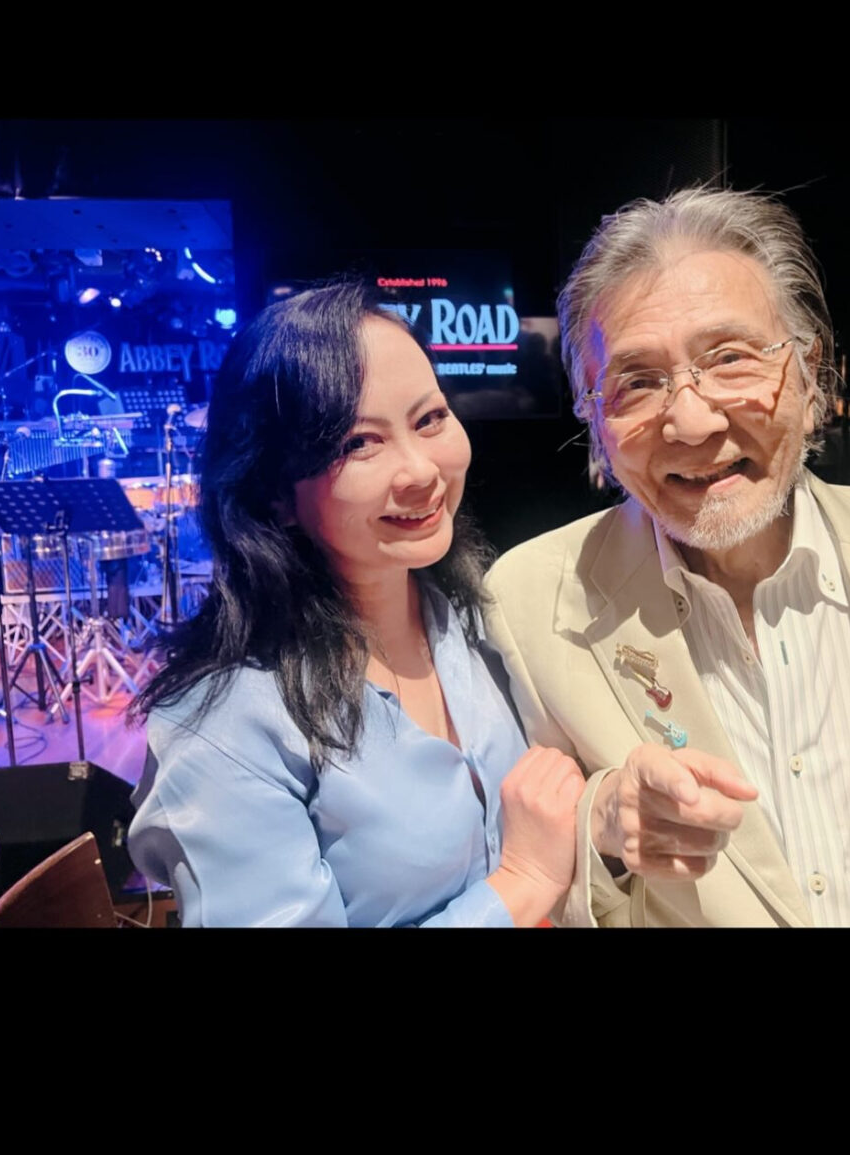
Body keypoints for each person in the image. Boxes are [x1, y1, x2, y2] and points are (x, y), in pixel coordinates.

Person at [484, 185, 850, 928]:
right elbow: (530, 855)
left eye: (729, 358)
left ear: (811, 379)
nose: (690, 421)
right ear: (595, 422)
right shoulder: (532, 603)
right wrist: (606, 821)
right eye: (637, 382)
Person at [127, 282, 584, 927]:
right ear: (274, 493)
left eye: (429, 419)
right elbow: (531, 867)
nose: (421, 471)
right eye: (359, 443)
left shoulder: (478, 621)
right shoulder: (224, 727)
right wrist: (523, 884)